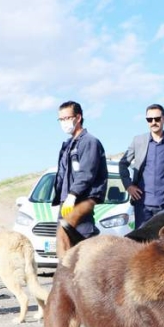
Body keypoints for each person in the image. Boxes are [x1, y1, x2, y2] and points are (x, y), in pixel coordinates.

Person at [53, 101, 108, 257]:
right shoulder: (69, 144)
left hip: (79, 201)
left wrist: (73, 195)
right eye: (61, 119)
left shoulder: (89, 142)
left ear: (78, 117)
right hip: (67, 203)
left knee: (84, 246)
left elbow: (86, 172)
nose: (64, 122)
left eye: (67, 118)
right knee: (65, 247)